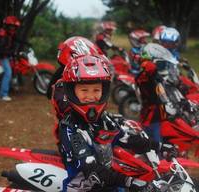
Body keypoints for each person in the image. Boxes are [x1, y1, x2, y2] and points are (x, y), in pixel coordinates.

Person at [58, 54, 177, 191]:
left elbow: (127, 139)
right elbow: (91, 169)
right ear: (71, 92)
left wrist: (160, 146)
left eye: (96, 90)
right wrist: (131, 182)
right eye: (84, 90)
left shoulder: (104, 120)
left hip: (109, 186)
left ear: (104, 91)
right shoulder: (69, 127)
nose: (91, 96)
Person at [0, 16, 21, 101]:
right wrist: (11, 52)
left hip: (7, 56)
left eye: (14, 27)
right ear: (6, 26)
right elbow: (1, 49)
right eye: (11, 26)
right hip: (3, 57)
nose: (13, 28)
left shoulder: (10, 35)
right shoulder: (3, 34)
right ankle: (3, 95)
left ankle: (13, 86)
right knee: (8, 73)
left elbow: (15, 42)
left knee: (15, 69)